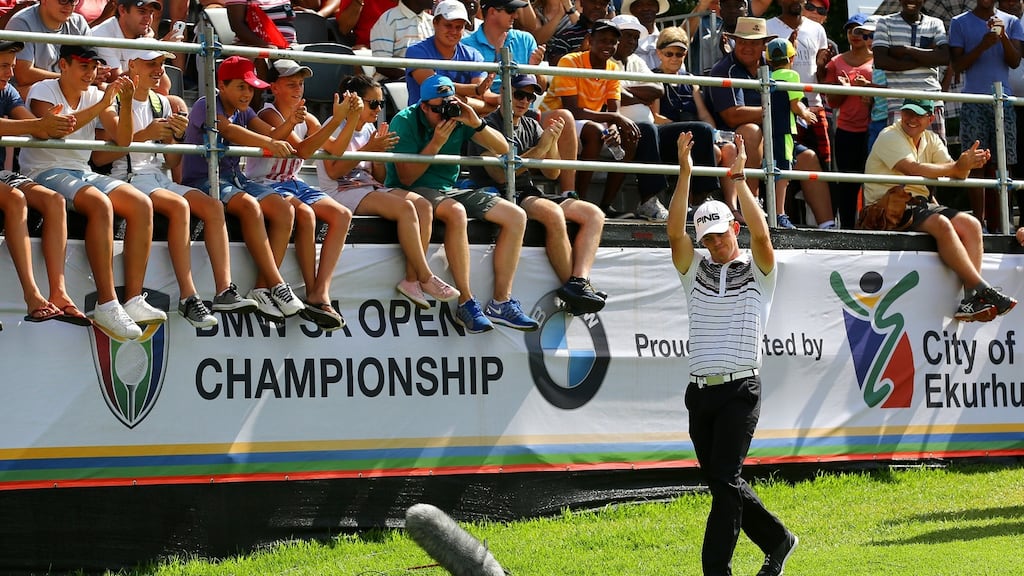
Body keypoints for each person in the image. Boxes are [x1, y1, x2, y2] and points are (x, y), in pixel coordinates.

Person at [666, 130, 798, 576]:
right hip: (699, 392)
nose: (715, 244)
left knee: (723, 480)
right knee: (723, 482)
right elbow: (673, 233)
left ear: (733, 228)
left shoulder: (758, 270)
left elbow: (763, 236)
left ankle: (715, 571)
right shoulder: (695, 271)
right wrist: (684, 174)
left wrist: (740, 179)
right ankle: (779, 539)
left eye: (721, 235)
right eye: (708, 238)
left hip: (741, 387)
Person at [94, 49, 263, 328]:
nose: (159, 69)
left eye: (161, 64)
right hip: (128, 179)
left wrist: (177, 136)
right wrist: (146, 135)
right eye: (152, 63)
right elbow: (98, 158)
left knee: (213, 206)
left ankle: (224, 290)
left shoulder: (162, 102)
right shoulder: (112, 102)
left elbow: (172, 161)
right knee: (180, 206)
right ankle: (189, 296)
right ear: (132, 65)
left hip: (160, 179)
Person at [22, 45, 165, 339]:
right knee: (100, 204)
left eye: (94, 67)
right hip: (42, 173)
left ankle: (134, 299)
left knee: (140, 204)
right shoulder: (42, 89)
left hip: (81, 171)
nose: (91, 73)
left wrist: (123, 104)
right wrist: (104, 103)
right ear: (63, 65)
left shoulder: (99, 95)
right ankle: (107, 302)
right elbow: (57, 129)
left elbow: (123, 140)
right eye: (83, 66)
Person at [385, 74, 539, 333]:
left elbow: (504, 150)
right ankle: (466, 302)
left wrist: (476, 123)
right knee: (455, 211)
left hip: (448, 189)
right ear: (423, 106)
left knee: (516, 216)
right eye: (438, 109)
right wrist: (436, 143)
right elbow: (406, 177)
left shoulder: (457, 116)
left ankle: (501, 302)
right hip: (411, 189)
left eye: (449, 105)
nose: (445, 115)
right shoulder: (405, 120)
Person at [863, 98, 1016, 322]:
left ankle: (971, 301)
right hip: (885, 208)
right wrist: (958, 166)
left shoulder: (931, 138)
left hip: (916, 204)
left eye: (918, 115)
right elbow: (913, 169)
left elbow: (956, 173)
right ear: (900, 114)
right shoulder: (889, 135)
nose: (911, 119)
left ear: (930, 119)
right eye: (907, 113)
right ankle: (984, 290)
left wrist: (966, 163)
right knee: (942, 223)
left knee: (972, 224)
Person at [180, 56, 307, 323]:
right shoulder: (206, 105)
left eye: (250, 88)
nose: (247, 93)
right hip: (203, 181)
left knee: (284, 210)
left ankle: (262, 288)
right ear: (221, 86)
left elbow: (273, 135)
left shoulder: (246, 110)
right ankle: (276, 283)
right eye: (241, 86)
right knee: (250, 205)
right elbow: (231, 132)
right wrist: (270, 143)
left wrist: (291, 123)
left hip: (232, 179)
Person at [466, 74, 607, 314]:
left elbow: (552, 173)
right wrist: (540, 148)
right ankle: (573, 290)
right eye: (519, 94)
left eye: (530, 97)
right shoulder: (485, 127)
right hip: (498, 193)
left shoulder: (531, 124)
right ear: (504, 95)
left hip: (527, 192)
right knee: (551, 212)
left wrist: (551, 142)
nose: (524, 101)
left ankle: (579, 282)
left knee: (594, 213)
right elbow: (500, 177)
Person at [317, 74, 461, 309]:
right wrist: (369, 150)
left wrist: (379, 157)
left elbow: (379, 178)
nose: (378, 109)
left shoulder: (369, 129)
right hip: (340, 191)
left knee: (423, 205)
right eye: (373, 103)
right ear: (355, 102)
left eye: (381, 104)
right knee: (405, 208)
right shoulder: (334, 126)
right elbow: (333, 173)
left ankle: (411, 280)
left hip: (367, 187)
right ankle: (426, 276)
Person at [246, 59, 356, 330]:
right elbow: (303, 151)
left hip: (292, 183)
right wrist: (338, 119)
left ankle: (320, 290)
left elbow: (336, 149)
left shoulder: (307, 117)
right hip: (267, 183)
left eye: (301, 83)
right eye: (291, 83)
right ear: (274, 87)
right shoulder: (269, 114)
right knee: (304, 214)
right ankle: (297, 290)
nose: (298, 88)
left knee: (342, 215)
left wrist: (351, 118)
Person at [541, 19, 666, 220]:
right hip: (556, 120)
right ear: (590, 40)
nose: (608, 46)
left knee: (630, 134)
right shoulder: (570, 61)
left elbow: (613, 108)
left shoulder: (612, 69)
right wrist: (613, 119)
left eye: (612, 42)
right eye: (603, 40)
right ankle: (577, 200)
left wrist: (615, 127)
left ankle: (606, 206)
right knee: (596, 132)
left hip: (584, 121)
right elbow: (573, 110)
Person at [0, 39, 87, 326]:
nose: (10, 73)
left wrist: (53, 124)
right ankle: (32, 294)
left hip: (3, 175)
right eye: (3, 66)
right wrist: (38, 126)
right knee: (14, 199)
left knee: (54, 200)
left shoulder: (8, 91)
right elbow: (30, 126)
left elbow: (36, 127)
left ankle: (59, 293)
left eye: (12, 67)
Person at [950, 0, 1023, 231]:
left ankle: (1004, 221)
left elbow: (1015, 61)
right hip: (974, 101)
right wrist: (983, 44)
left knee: (1005, 163)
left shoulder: (1011, 21)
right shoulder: (959, 22)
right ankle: (978, 223)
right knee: (976, 162)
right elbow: (958, 65)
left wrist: (1001, 37)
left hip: (1003, 102)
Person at [651, 27, 736, 211]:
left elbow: (703, 114)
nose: (674, 58)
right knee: (709, 148)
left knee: (727, 149)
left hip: (694, 134)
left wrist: (713, 133)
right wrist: (689, 130)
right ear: (659, 53)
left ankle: (732, 206)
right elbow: (655, 117)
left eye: (680, 54)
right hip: (668, 135)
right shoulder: (654, 78)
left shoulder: (689, 80)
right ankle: (695, 201)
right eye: (669, 53)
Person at [766, 0, 832, 174]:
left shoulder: (817, 29)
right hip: (784, 108)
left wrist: (822, 67)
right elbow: (764, 66)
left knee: (824, 163)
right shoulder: (768, 27)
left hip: (815, 105)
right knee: (784, 164)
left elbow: (821, 76)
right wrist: (785, 56)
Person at [823, 13, 874, 229]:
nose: (855, 35)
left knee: (873, 182)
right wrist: (844, 91)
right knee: (847, 184)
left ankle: (873, 226)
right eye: (851, 30)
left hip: (873, 129)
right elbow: (832, 102)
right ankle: (846, 229)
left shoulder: (880, 61)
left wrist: (870, 93)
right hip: (845, 131)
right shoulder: (836, 62)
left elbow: (885, 96)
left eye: (860, 31)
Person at [873, 0, 950, 141]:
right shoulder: (885, 22)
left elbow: (945, 57)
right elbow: (880, 61)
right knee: (900, 157)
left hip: (931, 102)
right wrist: (927, 57)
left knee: (936, 157)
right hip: (899, 103)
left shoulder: (935, 23)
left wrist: (907, 51)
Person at [765, 37, 820, 230]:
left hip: (768, 130)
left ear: (768, 60)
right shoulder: (792, 76)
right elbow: (795, 104)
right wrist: (806, 113)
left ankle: (774, 211)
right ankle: (779, 214)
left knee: (773, 172)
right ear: (792, 58)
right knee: (783, 174)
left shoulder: (765, 76)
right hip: (785, 131)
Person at [404, 0, 492, 114]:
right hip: (423, 126)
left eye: (459, 27)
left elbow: (483, 96)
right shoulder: (416, 51)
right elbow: (438, 90)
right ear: (435, 22)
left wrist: (501, 100)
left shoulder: (473, 55)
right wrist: (476, 91)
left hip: (464, 125)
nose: (453, 31)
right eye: (448, 25)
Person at [6, 0, 92, 98]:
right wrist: (71, 79)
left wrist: (96, 71)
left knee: (104, 90)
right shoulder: (21, 22)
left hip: (69, 87)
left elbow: (91, 62)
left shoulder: (79, 23)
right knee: (42, 93)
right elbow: (24, 75)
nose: (69, 6)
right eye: (63, 0)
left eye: (73, 1)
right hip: (31, 92)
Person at [369, 0, 435, 81]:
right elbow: (382, 66)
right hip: (393, 86)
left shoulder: (433, 22)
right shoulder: (387, 20)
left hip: (430, 85)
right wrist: (417, 78)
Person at [544, 0, 610, 65]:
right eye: (592, 2)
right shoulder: (567, 34)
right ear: (582, 2)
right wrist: (580, 51)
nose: (597, 6)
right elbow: (553, 62)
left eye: (602, 3)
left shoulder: (614, 35)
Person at [621, 0, 666, 71]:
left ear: (657, 8)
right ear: (632, 10)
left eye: (650, 4)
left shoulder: (666, 38)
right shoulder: (624, 40)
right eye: (640, 5)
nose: (646, 8)